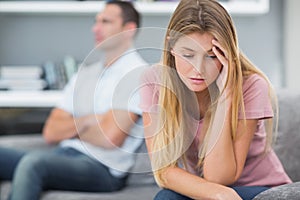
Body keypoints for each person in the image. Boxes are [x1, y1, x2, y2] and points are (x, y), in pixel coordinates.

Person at [139, 0, 292, 199]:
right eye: (188, 55)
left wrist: (226, 95)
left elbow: (219, 176)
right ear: (171, 46)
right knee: (166, 197)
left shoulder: (252, 85)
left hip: (261, 188)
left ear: (227, 54)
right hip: (213, 191)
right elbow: (163, 172)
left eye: (211, 57)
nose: (198, 69)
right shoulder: (154, 81)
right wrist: (220, 195)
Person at [0, 1, 148, 200]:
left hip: (102, 168)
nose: (95, 28)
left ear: (128, 29)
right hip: (63, 156)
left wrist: (72, 128)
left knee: (33, 163)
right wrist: (90, 121)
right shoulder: (85, 73)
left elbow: (110, 138)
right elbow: (51, 132)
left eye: (106, 22)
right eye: (96, 21)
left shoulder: (138, 74)